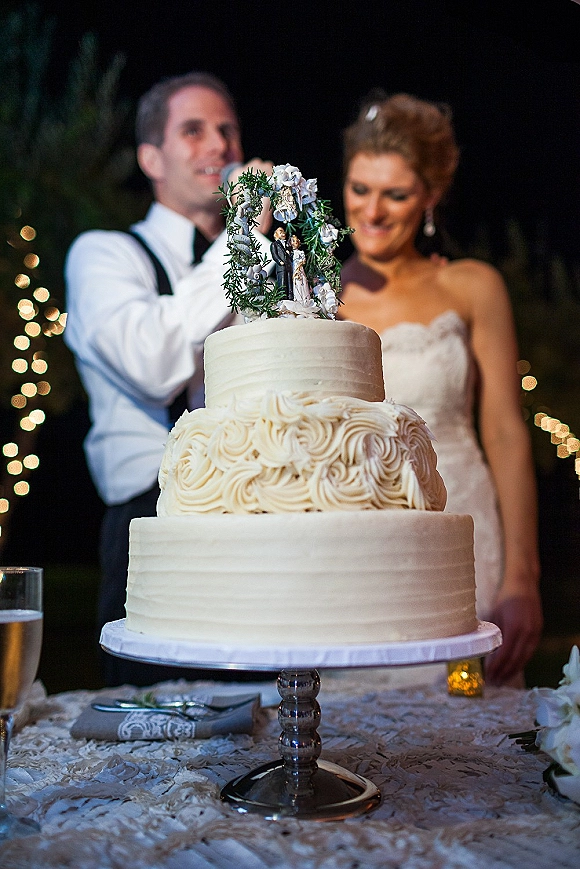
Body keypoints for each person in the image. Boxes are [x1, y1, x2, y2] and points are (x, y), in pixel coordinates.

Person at [64, 71, 273, 686]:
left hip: (260, 522)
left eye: (228, 130)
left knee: (263, 728)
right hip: (151, 526)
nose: (220, 146)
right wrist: (240, 241)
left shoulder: (256, 256)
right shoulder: (104, 254)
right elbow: (154, 364)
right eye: (194, 130)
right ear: (150, 157)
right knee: (151, 752)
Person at [339, 93, 542, 687]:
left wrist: (522, 580)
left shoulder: (473, 286)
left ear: (429, 197)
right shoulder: (315, 297)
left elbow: (505, 432)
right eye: (359, 188)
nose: (371, 211)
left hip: (464, 532)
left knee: (466, 729)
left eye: (395, 194)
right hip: (359, 548)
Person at [270, 226, 293, 298]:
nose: (283, 234)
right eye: (280, 232)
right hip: (281, 267)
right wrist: (279, 261)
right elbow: (274, 255)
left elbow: (291, 253)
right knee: (282, 281)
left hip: (288, 266)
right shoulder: (274, 244)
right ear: (276, 235)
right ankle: (282, 296)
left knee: (289, 281)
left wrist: (290, 253)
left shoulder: (287, 244)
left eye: (283, 232)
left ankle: (290, 296)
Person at [290, 235, 311, 304]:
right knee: (294, 282)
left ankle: (304, 297)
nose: (295, 242)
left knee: (301, 282)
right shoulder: (290, 253)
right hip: (293, 268)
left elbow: (303, 261)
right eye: (293, 241)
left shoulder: (300, 252)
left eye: (296, 241)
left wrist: (299, 267)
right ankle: (296, 297)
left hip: (298, 268)